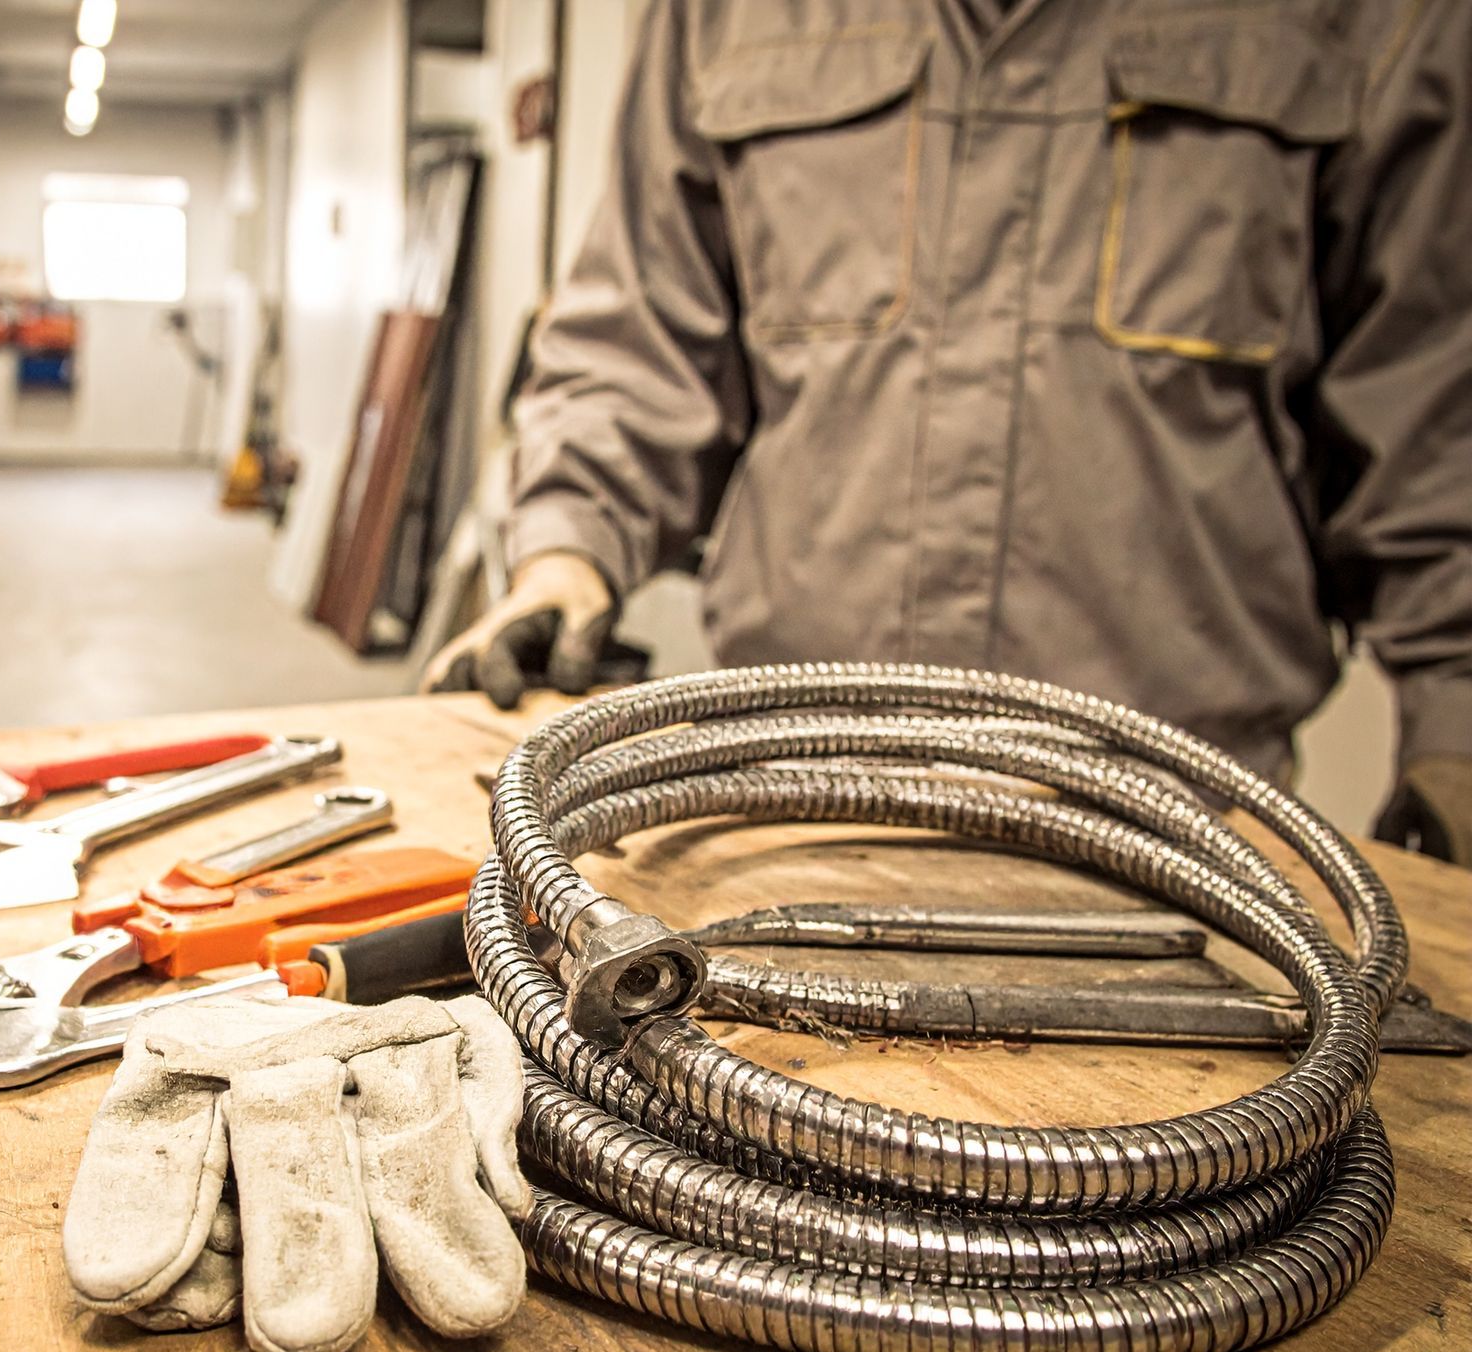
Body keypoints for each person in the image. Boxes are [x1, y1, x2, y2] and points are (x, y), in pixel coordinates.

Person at [423, 0, 1472, 864]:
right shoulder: (722, 14)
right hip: (781, 805)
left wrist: (1455, 728)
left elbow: (1434, 409)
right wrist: (564, 557)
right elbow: (640, 339)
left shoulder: (1372, 19)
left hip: (1181, 828)